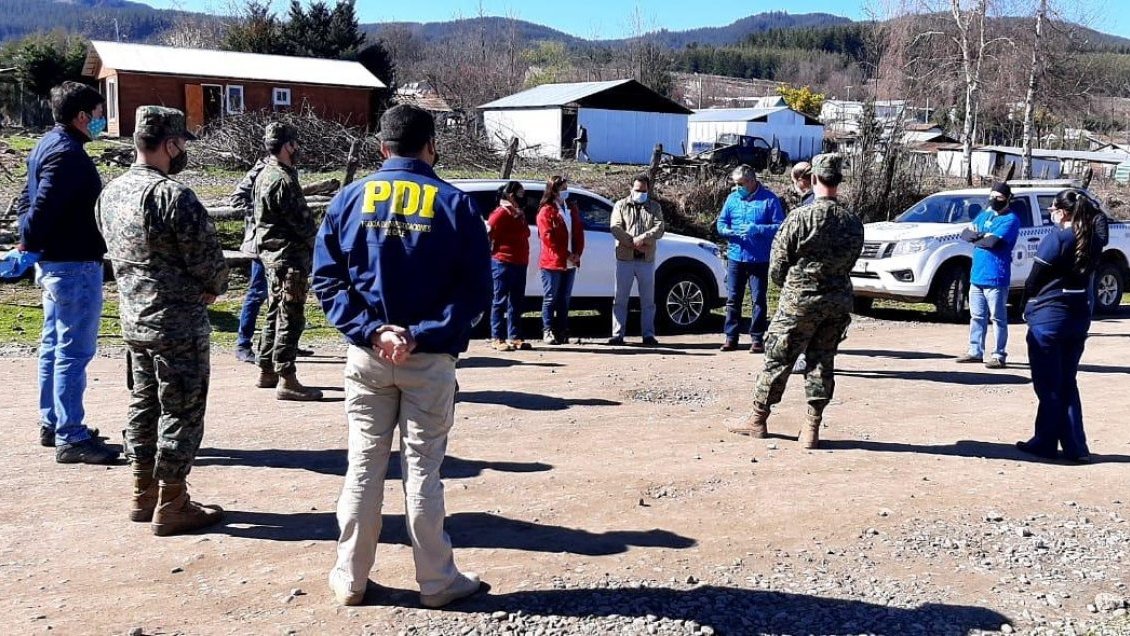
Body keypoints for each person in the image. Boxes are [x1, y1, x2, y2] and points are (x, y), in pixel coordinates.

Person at [313, 104, 490, 608]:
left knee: (363, 466)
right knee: (422, 470)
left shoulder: (348, 199)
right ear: (430, 146)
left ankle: (351, 577)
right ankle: (436, 581)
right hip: (429, 359)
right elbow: (476, 291)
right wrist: (420, 333)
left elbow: (328, 279)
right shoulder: (454, 204)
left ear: (381, 147)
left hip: (368, 358)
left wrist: (372, 331)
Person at [96, 106, 230, 535]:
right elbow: (208, 261)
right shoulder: (173, 196)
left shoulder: (110, 193)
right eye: (181, 144)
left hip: (134, 318)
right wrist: (213, 285)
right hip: (177, 323)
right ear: (170, 143)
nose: (182, 152)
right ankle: (173, 500)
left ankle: (142, 491)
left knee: (143, 403)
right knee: (182, 408)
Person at [729, 154, 864, 449]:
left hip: (799, 302)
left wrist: (793, 285)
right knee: (822, 361)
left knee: (778, 359)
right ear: (838, 181)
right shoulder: (853, 223)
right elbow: (851, 260)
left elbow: (777, 265)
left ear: (813, 178)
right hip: (836, 302)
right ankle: (811, 429)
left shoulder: (799, 218)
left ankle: (757, 419)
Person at [17, 81, 117, 463]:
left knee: (54, 347)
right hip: (73, 263)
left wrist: (30, 236)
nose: (99, 119)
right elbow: (40, 207)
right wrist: (29, 236)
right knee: (73, 351)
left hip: (57, 262)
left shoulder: (48, 145)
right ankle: (71, 435)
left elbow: (27, 199)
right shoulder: (67, 155)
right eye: (96, 113)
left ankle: (54, 422)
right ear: (80, 116)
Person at [1015, 189, 1102, 464]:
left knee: (1049, 384)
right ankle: (1076, 446)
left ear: (1062, 212)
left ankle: (1045, 441)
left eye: (1052, 208)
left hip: (1050, 316)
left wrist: (1023, 306)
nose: (1050, 213)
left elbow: (1033, 280)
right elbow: (1097, 219)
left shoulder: (1057, 238)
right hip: (1078, 315)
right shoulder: (1093, 239)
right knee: (1067, 381)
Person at [253, 123, 322, 401]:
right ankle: (287, 376)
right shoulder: (282, 179)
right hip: (289, 257)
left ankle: (266, 368)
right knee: (290, 316)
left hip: (272, 257)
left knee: (274, 312)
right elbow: (302, 224)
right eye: (294, 144)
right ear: (287, 146)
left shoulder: (264, 174)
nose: (298, 149)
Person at [230, 156, 314, 364]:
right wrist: (263, 214)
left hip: (282, 247)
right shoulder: (260, 170)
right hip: (262, 244)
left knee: (281, 297)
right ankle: (243, 344)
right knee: (257, 292)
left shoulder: (287, 171)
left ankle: (283, 344)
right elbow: (236, 199)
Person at [715, 164, 786, 353]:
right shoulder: (732, 199)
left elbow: (781, 226)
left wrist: (759, 229)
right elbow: (721, 222)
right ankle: (731, 337)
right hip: (736, 256)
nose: (738, 188)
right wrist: (725, 231)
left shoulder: (769, 200)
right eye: (736, 184)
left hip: (759, 258)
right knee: (733, 299)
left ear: (752, 181)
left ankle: (757, 338)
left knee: (759, 300)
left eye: (741, 184)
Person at [956, 182, 1021, 369]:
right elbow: (965, 234)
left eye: (999, 197)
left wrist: (980, 237)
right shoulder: (985, 214)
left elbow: (992, 242)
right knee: (976, 316)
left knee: (998, 318)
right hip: (977, 276)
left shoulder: (1010, 220)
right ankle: (975, 351)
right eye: (992, 195)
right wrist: (982, 236)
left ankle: (999, 354)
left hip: (996, 276)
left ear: (1008, 199)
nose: (994, 199)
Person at [607, 173, 665, 346]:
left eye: (644, 190)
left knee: (648, 300)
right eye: (638, 190)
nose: (641, 193)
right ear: (631, 189)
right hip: (625, 258)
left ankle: (648, 335)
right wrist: (632, 242)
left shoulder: (654, 207)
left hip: (646, 259)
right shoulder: (621, 205)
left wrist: (643, 239)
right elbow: (615, 227)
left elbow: (659, 228)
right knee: (620, 298)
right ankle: (617, 334)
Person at [537, 176, 584, 346]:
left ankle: (562, 331)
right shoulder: (546, 211)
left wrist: (577, 253)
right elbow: (548, 238)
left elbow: (579, 232)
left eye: (566, 187)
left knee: (564, 298)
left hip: (571, 262)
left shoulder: (571, 208)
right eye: (562, 188)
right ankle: (547, 330)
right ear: (554, 191)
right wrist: (567, 253)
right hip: (553, 261)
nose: (566, 190)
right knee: (551, 297)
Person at [487, 181, 532, 352]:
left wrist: (520, 216)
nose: (523, 197)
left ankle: (515, 336)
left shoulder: (518, 214)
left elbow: (526, 233)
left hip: (520, 262)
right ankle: (497, 337)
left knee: (516, 302)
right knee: (499, 301)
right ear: (511, 195)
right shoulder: (500, 213)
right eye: (520, 193)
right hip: (502, 262)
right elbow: (488, 233)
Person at [785, 161, 815, 374]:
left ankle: (802, 357)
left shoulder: (808, 206)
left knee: (801, 319)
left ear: (801, 180)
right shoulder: (826, 202)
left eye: (794, 182)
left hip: (806, 273)